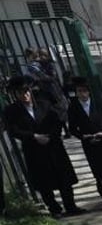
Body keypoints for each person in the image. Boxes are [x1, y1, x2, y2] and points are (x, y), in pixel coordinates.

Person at [4, 75, 80, 217]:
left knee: (63, 177)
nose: (25, 95)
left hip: (53, 146)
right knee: (44, 181)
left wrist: (50, 136)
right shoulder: (12, 111)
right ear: (16, 95)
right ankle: (54, 209)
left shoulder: (44, 104)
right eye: (21, 93)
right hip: (34, 149)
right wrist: (34, 136)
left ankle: (71, 206)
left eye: (26, 91)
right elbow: (14, 130)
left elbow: (57, 121)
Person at [66, 76, 102, 209]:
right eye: (79, 91)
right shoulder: (73, 107)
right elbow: (72, 129)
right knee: (99, 175)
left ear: (89, 91)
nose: (82, 94)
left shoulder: (98, 103)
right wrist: (83, 136)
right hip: (90, 144)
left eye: (84, 91)